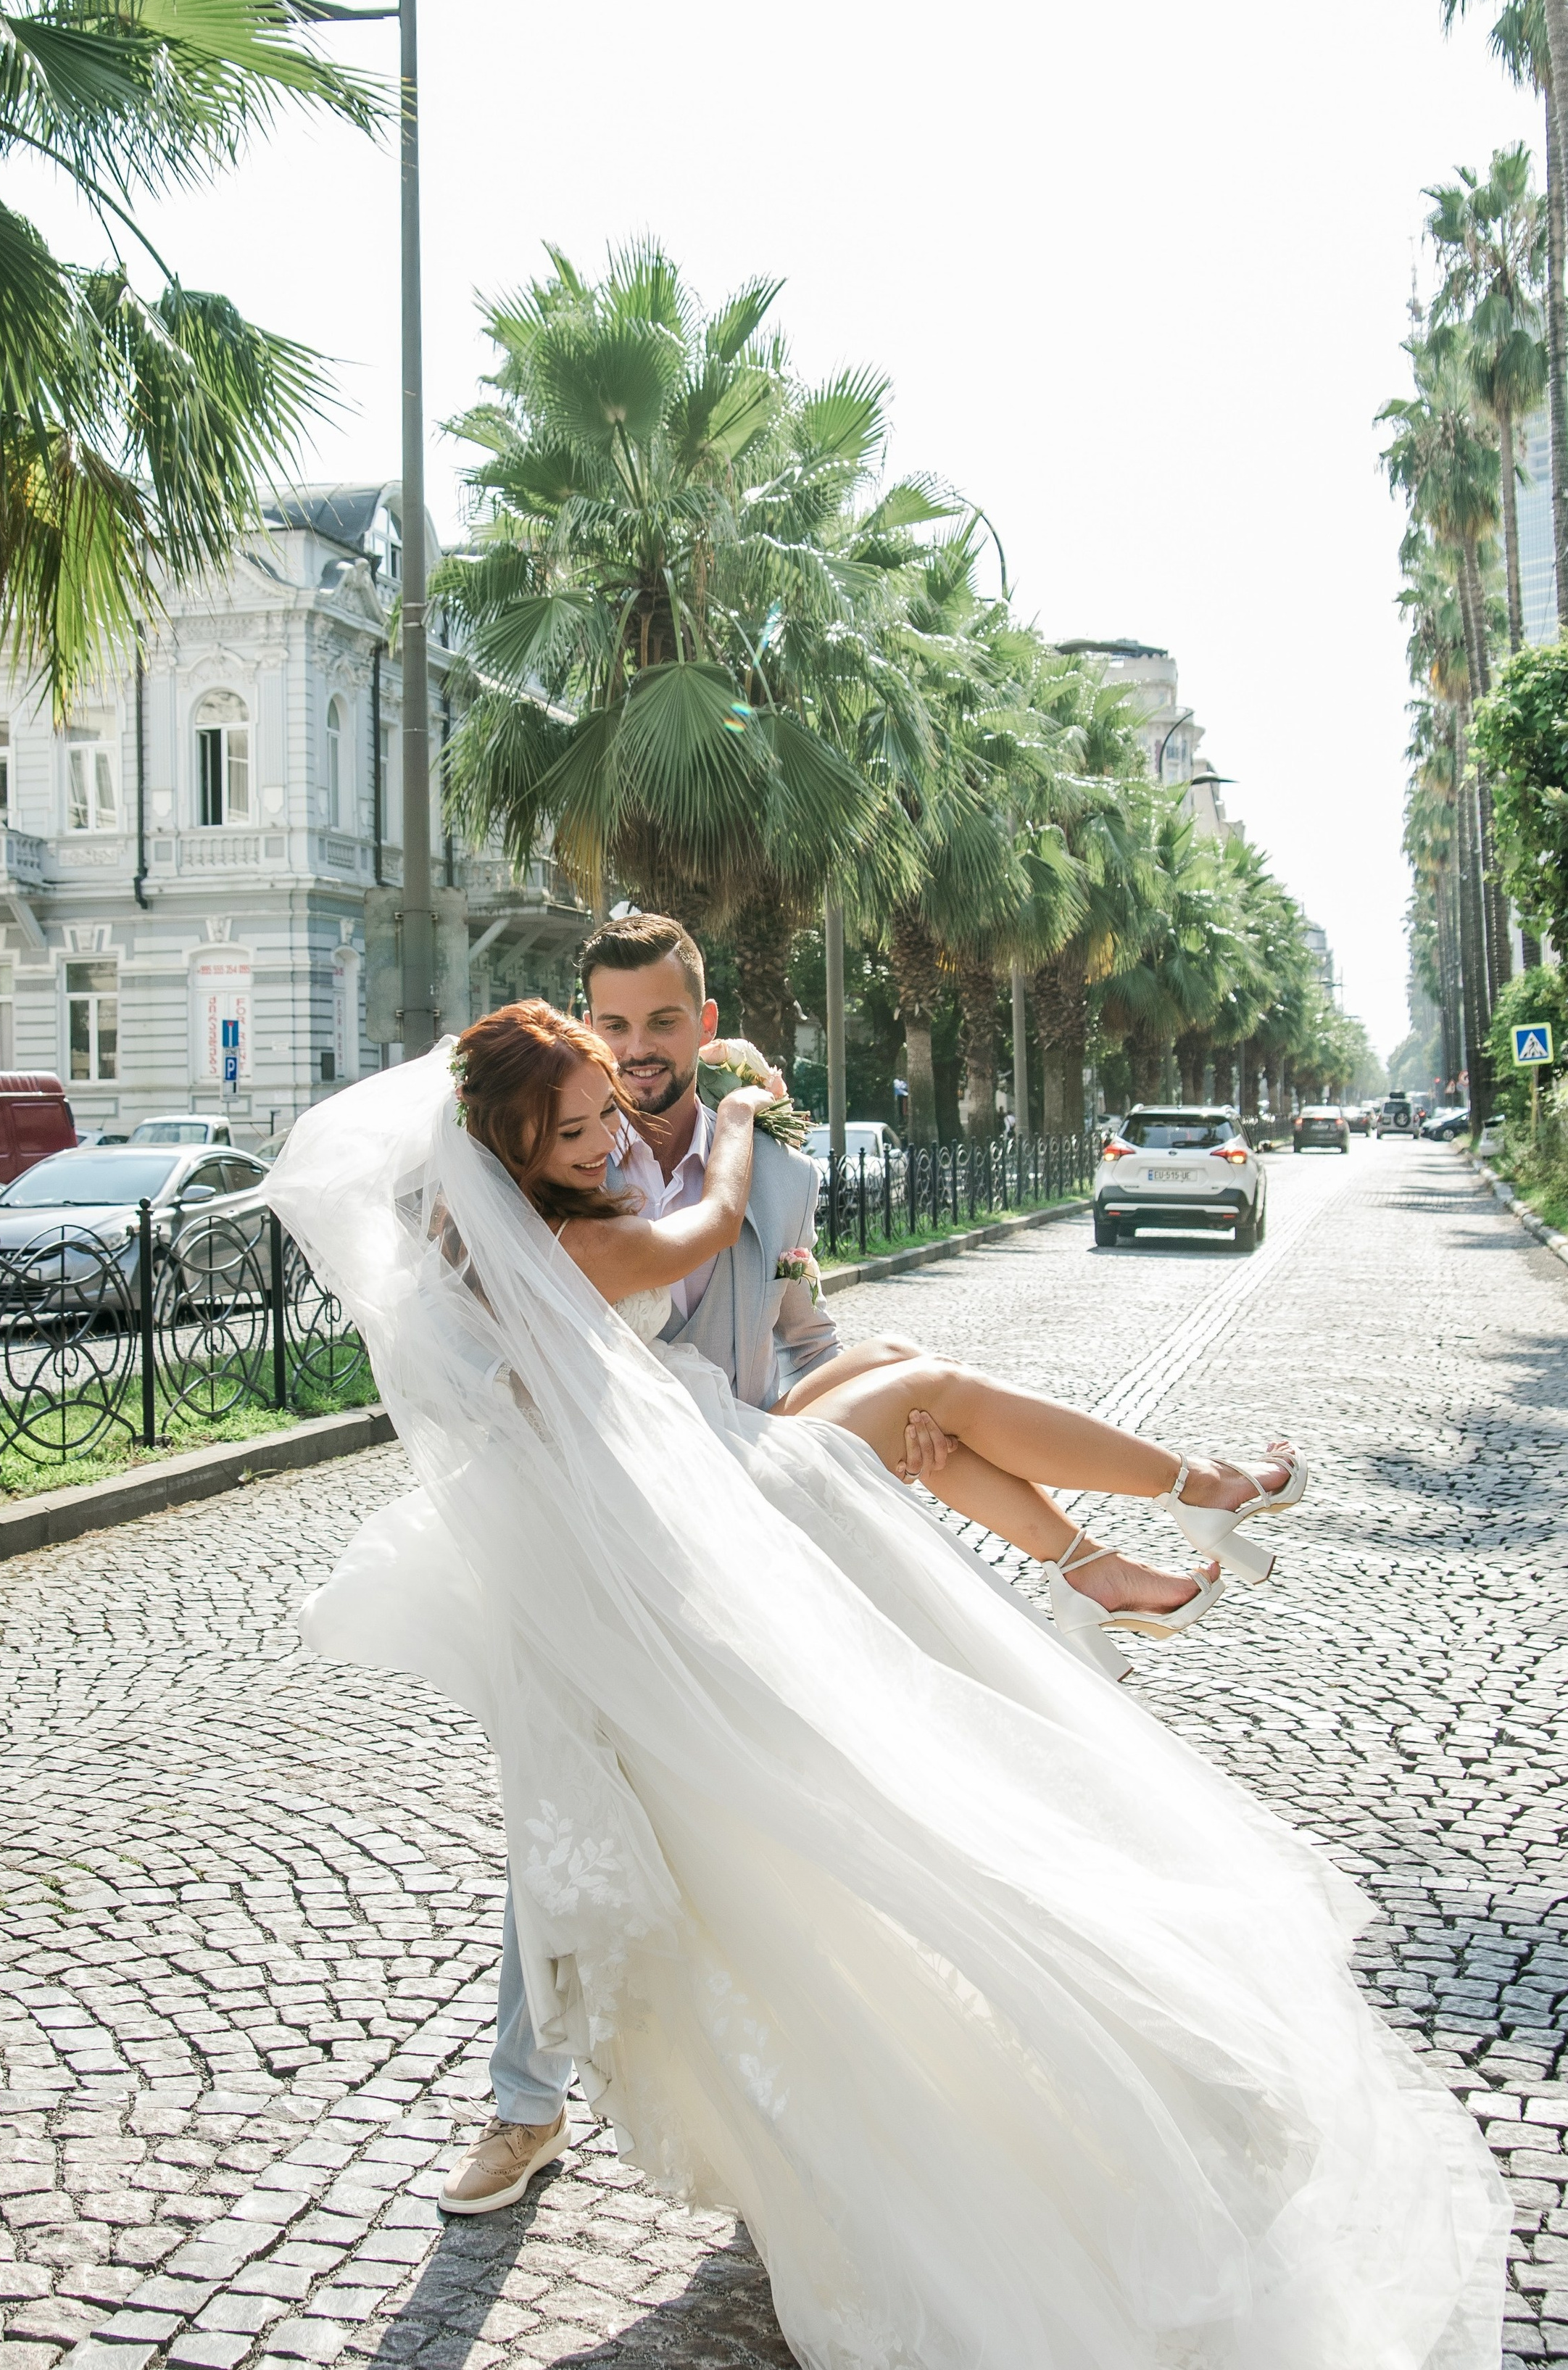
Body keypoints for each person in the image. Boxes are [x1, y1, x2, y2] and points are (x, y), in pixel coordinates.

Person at [265, 999, 1507, 2370]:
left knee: (916, 1382)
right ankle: (1152, 1522)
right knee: (920, 1443)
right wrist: (725, 1115)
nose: (603, 1144)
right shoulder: (577, 1247)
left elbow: (722, 1281)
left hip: (692, 1483)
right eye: (575, 1132)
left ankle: (1110, 1548)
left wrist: (700, 1125)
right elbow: (708, 1214)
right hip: (690, 1532)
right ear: (514, 1155)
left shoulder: (512, 1227)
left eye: (605, 1111)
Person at [455, 915, 1298, 2215]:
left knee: (915, 1391)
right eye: (612, 1027)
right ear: (585, 1028)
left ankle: (1124, 1540)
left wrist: (849, 1396)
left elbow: (795, 1329)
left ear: (703, 1014)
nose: (636, 1056)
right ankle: (525, 2107)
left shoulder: (768, 1162)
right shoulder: (563, 1162)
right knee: (572, 1801)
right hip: (655, 1515)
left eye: (663, 1025)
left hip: (743, 1462)